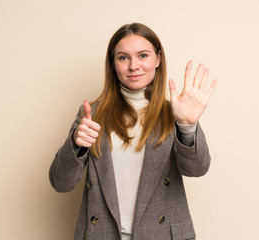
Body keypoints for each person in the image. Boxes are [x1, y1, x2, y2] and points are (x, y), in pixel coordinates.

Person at [49, 22, 217, 240]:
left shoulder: (174, 112)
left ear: (157, 59)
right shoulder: (91, 114)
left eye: (143, 55)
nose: (133, 66)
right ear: (113, 63)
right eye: (123, 57)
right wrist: (76, 144)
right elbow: (60, 183)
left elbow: (197, 169)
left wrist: (187, 125)